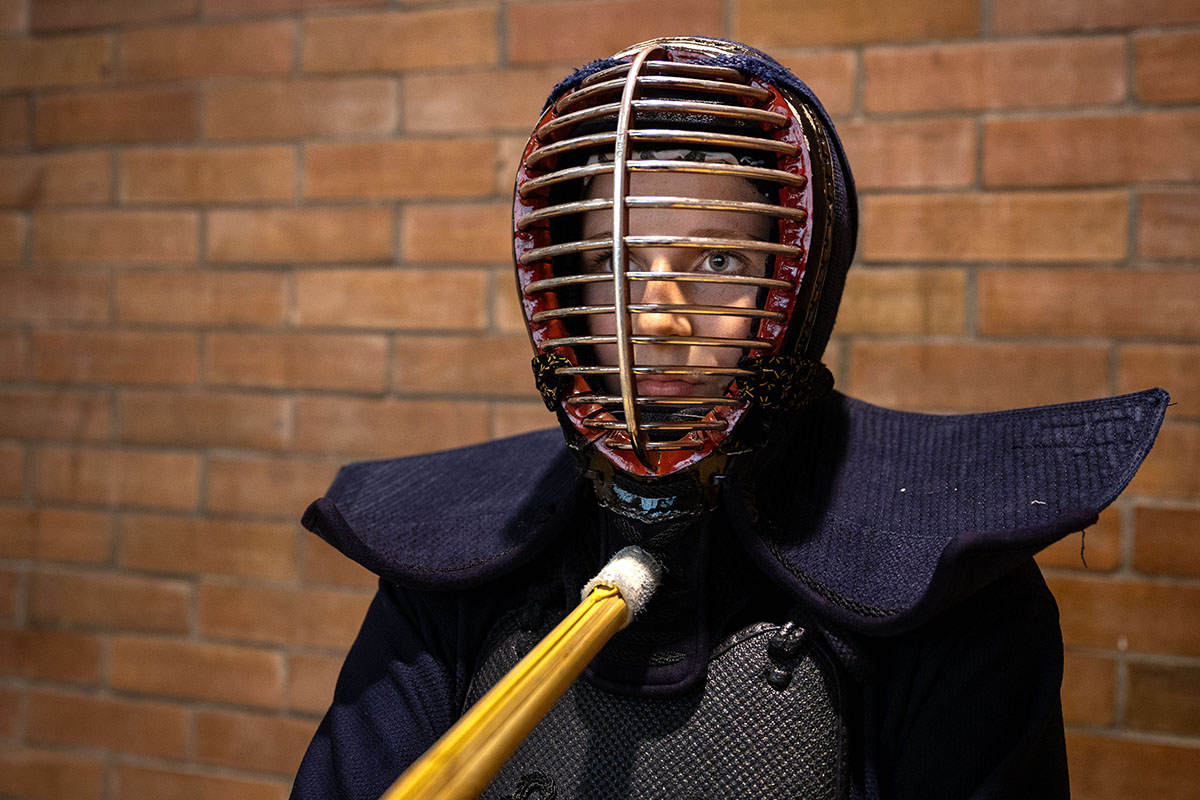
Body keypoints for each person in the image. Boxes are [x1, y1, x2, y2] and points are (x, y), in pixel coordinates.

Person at [291, 37, 1167, 799]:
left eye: (716, 260)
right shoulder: (447, 568)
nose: (655, 317)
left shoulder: (947, 582)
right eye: (612, 261)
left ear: (799, 285)